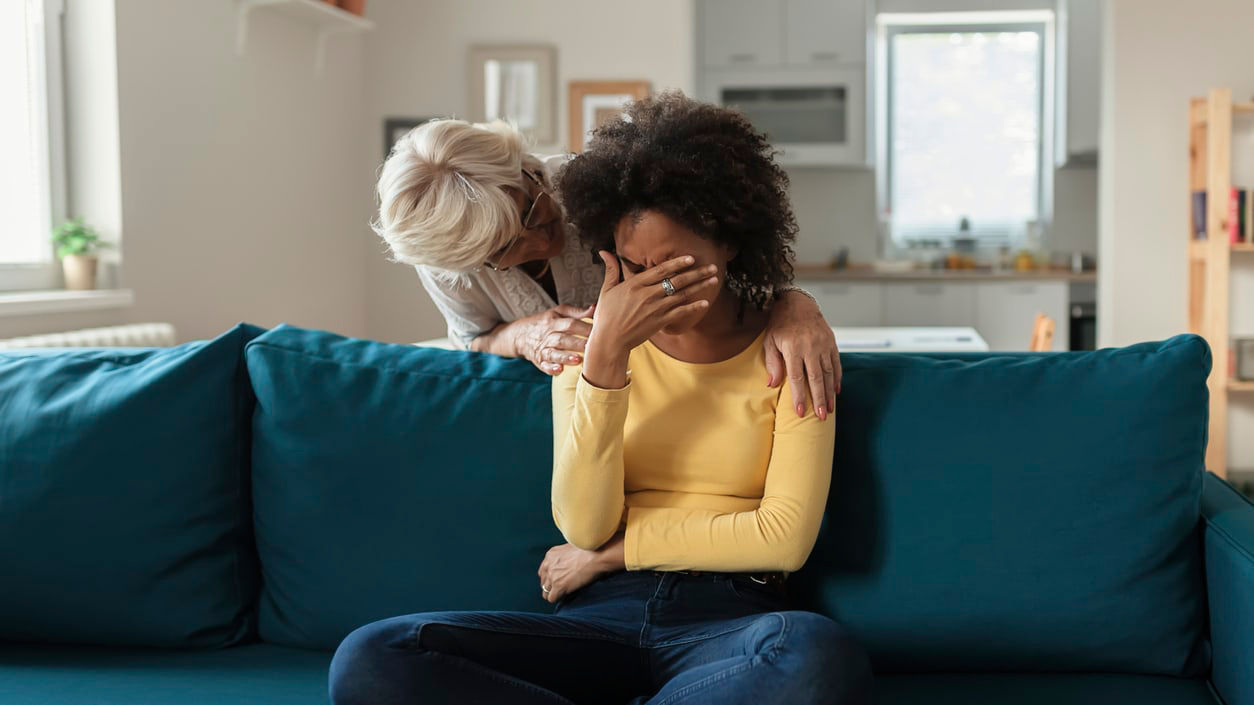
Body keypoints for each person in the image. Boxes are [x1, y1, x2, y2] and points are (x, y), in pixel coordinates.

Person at [329, 91, 872, 705]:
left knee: (815, 655)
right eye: (635, 267)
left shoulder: (789, 358)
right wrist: (604, 361)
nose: (652, 287)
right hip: (596, 621)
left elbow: (782, 540)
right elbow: (583, 524)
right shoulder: (581, 349)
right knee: (374, 657)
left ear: (730, 240)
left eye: (674, 265)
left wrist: (610, 554)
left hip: (733, 619)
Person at [372, 113, 840, 420]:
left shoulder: (602, 186)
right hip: (569, 410)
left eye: (531, 209)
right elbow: (471, 339)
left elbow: (721, 270)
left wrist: (793, 304)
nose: (541, 238)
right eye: (504, 249)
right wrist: (523, 336)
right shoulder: (449, 263)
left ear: (522, 168)